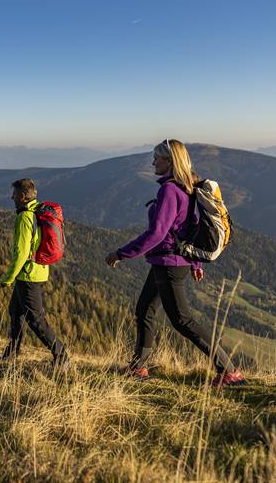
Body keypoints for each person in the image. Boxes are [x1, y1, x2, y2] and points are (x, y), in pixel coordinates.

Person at [105, 139, 245, 388]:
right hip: (170, 261)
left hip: (169, 263)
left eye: (157, 158)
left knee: (182, 320)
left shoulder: (169, 190)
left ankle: (229, 371)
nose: (153, 162)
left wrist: (120, 253)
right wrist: (195, 263)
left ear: (170, 162)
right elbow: (190, 229)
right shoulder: (187, 187)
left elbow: (156, 234)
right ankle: (138, 366)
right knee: (145, 310)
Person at [0, 178, 69, 370]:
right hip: (37, 271)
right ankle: (12, 352)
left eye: (14, 194)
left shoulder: (24, 217)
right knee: (16, 311)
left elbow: (21, 254)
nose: (11, 197)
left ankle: (61, 355)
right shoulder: (38, 211)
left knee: (36, 319)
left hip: (28, 275)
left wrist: (7, 278)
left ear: (22, 196)